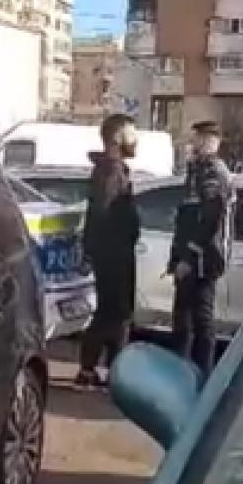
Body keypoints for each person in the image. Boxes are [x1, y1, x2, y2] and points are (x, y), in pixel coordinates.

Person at [76, 113, 141, 389]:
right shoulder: (111, 172)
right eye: (131, 133)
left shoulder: (114, 169)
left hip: (114, 251)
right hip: (113, 254)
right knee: (115, 313)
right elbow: (102, 214)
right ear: (116, 138)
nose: (135, 139)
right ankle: (97, 371)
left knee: (114, 313)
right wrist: (97, 250)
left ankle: (103, 369)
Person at [167, 120, 233, 377]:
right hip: (191, 256)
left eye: (197, 139)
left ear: (209, 142)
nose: (192, 144)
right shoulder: (197, 170)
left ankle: (201, 375)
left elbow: (211, 217)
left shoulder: (213, 172)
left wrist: (190, 255)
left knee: (200, 320)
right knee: (183, 319)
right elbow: (187, 217)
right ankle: (182, 372)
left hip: (204, 259)